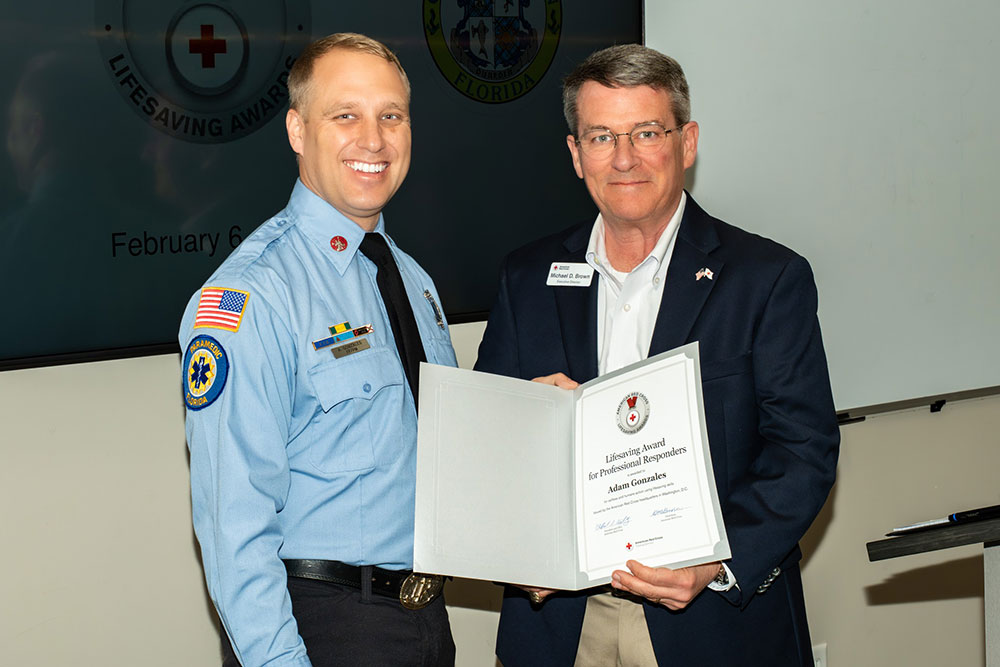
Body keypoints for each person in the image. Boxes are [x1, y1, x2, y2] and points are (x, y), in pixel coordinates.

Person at [474, 44, 840, 666]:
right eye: (600, 137)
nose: (624, 159)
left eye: (646, 132)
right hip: (564, 624)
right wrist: (527, 432)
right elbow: (488, 444)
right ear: (575, 154)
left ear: (686, 142)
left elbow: (803, 451)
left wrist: (715, 563)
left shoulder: (766, 278)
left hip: (708, 624)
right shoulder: (526, 277)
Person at [179, 33, 457, 667]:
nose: (374, 139)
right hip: (323, 627)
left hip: (424, 623)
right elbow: (234, 524)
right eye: (345, 116)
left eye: (392, 116)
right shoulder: (251, 296)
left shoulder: (412, 281)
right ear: (297, 131)